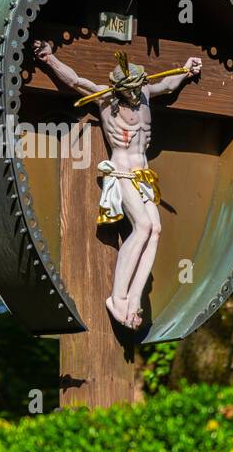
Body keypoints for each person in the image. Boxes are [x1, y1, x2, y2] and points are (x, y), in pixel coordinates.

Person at [33, 40, 201, 329]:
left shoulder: (146, 92)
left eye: (137, 88)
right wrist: (49, 59)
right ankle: (117, 297)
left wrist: (186, 70)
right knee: (143, 227)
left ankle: (134, 300)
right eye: (130, 90)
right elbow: (74, 80)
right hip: (122, 172)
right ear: (119, 88)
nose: (135, 94)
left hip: (143, 174)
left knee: (156, 230)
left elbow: (168, 85)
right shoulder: (106, 99)